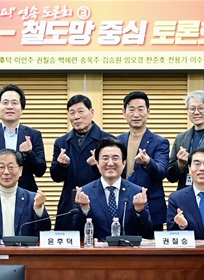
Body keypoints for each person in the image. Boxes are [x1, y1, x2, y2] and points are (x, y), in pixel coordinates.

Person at [50, 95, 113, 231]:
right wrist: (62, 166)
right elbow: (55, 177)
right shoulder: (61, 142)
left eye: (80, 111)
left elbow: (117, 175)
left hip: (99, 201)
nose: (76, 117)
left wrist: (97, 166)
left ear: (91, 112)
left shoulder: (109, 141)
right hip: (69, 203)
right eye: (72, 113)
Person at [72, 138, 152, 241]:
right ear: (97, 162)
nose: (110, 163)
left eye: (115, 158)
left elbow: (148, 234)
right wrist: (84, 209)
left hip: (128, 250)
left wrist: (140, 210)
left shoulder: (137, 192)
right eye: (105, 158)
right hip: (96, 250)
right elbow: (76, 234)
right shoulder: (84, 192)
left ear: (124, 163)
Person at [0, 84, 46, 192]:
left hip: (25, 194)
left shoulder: (33, 134)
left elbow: (40, 171)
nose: (9, 107)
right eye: (5, 102)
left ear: (22, 109)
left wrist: (29, 154)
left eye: (14, 103)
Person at [116, 91, 169, 233]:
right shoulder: (116, 141)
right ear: (124, 113)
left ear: (148, 112)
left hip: (151, 207)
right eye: (131, 109)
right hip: (122, 205)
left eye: (140, 109)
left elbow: (162, 171)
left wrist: (147, 162)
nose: (136, 114)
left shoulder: (160, 142)